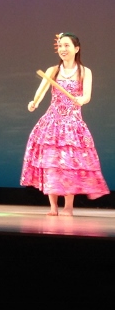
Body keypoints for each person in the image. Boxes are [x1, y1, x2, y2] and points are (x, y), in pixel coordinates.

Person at [20, 32, 109, 216]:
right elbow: (41, 91)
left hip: (72, 124)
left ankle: (68, 207)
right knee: (51, 164)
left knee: (69, 165)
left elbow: (87, 96)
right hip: (52, 123)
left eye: (66, 45)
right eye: (60, 45)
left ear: (76, 48)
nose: (63, 49)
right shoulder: (53, 70)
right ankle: (53, 207)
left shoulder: (85, 71)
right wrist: (34, 103)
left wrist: (81, 100)